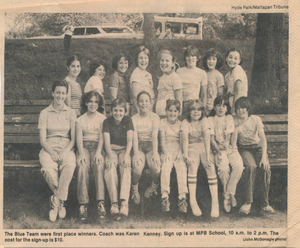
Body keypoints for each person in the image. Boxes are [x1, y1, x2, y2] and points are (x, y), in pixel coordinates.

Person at [38, 80, 77, 222]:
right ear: (53, 93)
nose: (60, 96)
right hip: (48, 149)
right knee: (47, 168)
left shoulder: (71, 113)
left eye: (63, 93)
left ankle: (56, 200)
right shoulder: (44, 113)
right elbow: (42, 140)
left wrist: (65, 152)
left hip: (66, 148)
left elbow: (73, 139)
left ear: (66, 95)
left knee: (70, 165)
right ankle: (60, 200)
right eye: (58, 92)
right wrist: (52, 153)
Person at [234, 97, 275, 215]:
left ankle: (265, 204)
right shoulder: (235, 120)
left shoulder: (255, 119)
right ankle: (248, 202)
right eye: (238, 109)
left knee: (265, 168)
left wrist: (264, 157)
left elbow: (262, 140)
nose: (240, 111)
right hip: (244, 149)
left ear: (248, 108)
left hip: (258, 148)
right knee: (251, 167)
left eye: (243, 108)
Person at [181, 99, 219, 217]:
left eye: (198, 109)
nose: (196, 112)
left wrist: (208, 156)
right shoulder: (185, 122)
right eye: (193, 110)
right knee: (192, 165)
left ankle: (215, 203)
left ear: (202, 111)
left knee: (210, 166)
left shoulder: (204, 121)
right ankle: (192, 201)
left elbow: (207, 139)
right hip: (191, 149)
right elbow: (185, 140)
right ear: (189, 112)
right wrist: (186, 155)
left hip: (203, 148)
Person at [208, 95, 243, 213]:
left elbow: (228, 137)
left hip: (230, 148)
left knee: (238, 165)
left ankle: (229, 193)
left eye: (224, 106)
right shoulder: (210, 120)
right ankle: (227, 197)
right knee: (223, 169)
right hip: (218, 149)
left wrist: (226, 146)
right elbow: (212, 139)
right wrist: (218, 151)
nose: (221, 108)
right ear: (214, 107)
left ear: (227, 108)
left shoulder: (229, 118)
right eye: (218, 105)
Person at [76, 91, 106, 221]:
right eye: (90, 101)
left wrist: (99, 152)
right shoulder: (80, 119)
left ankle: (101, 203)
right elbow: (78, 139)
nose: (93, 104)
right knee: (82, 166)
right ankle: (83, 204)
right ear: (86, 103)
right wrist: (81, 154)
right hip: (84, 147)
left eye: (96, 102)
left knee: (99, 166)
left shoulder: (102, 118)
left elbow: (102, 138)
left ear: (98, 104)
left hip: (97, 147)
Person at [102, 98, 134, 217]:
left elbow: (130, 141)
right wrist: (110, 157)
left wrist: (126, 155)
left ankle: (124, 202)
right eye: (115, 110)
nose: (118, 113)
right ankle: (114, 203)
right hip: (111, 149)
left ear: (125, 111)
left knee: (126, 167)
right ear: (111, 111)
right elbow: (106, 143)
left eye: (121, 111)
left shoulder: (128, 120)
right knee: (110, 168)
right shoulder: (107, 122)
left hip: (124, 149)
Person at [131, 91, 161, 204]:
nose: (144, 104)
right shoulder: (134, 118)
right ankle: (134, 189)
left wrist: (155, 153)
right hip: (138, 146)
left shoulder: (155, 117)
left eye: (146, 101)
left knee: (156, 168)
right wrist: (136, 153)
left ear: (150, 103)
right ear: (138, 103)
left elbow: (154, 135)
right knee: (137, 168)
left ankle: (154, 186)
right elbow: (134, 137)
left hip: (151, 146)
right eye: (141, 101)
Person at [159, 99, 188, 213]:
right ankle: (165, 196)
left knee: (181, 166)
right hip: (166, 148)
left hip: (177, 148)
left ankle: (182, 198)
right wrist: (165, 153)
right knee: (166, 166)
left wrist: (181, 152)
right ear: (166, 111)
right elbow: (162, 141)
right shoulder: (162, 122)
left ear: (178, 112)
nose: (172, 113)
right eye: (170, 110)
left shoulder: (181, 124)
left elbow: (182, 140)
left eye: (175, 111)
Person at [177, 45, 208, 116]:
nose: (190, 58)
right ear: (185, 58)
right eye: (188, 56)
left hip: (195, 104)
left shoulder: (202, 73)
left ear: (197, 58)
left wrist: (202, 109)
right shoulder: (179, 71)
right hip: (182, 103)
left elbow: (203, 94)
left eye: (193, 56)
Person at [155, 49, 183, 116]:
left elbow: (179, 99)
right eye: (162, 60)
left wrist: (179, 115)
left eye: (167, 60)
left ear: (172, 63)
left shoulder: (175, 77)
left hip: (170, 115)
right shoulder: (161, 78)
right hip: (160, 113)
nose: (164, 63)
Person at [130, 46, 155, 115]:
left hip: (149, 109)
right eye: (141, 58)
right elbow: (136, 97)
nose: (143, 61)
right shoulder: (136, 73)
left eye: (145, 58)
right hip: (141, 111)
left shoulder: (148, 74)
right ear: (136, 59)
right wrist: (140, 115)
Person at [224, 48, 248, 114]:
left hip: (239, 105)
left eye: (235, 58)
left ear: (239, 61)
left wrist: (234, 109)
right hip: (231, 104)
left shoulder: (238, 70)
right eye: (230, 57)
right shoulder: (227, 75)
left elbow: (238, 91)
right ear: (226, 58)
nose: (232, 60)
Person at [202, 48, 225, 114]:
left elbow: (220, 95)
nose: (211, 61)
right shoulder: (204, 74)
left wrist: (217, 108)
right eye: (209, 59)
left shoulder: (219, 75)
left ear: (217, 61)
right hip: (205, 106)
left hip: (214, 108)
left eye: (214, 59)